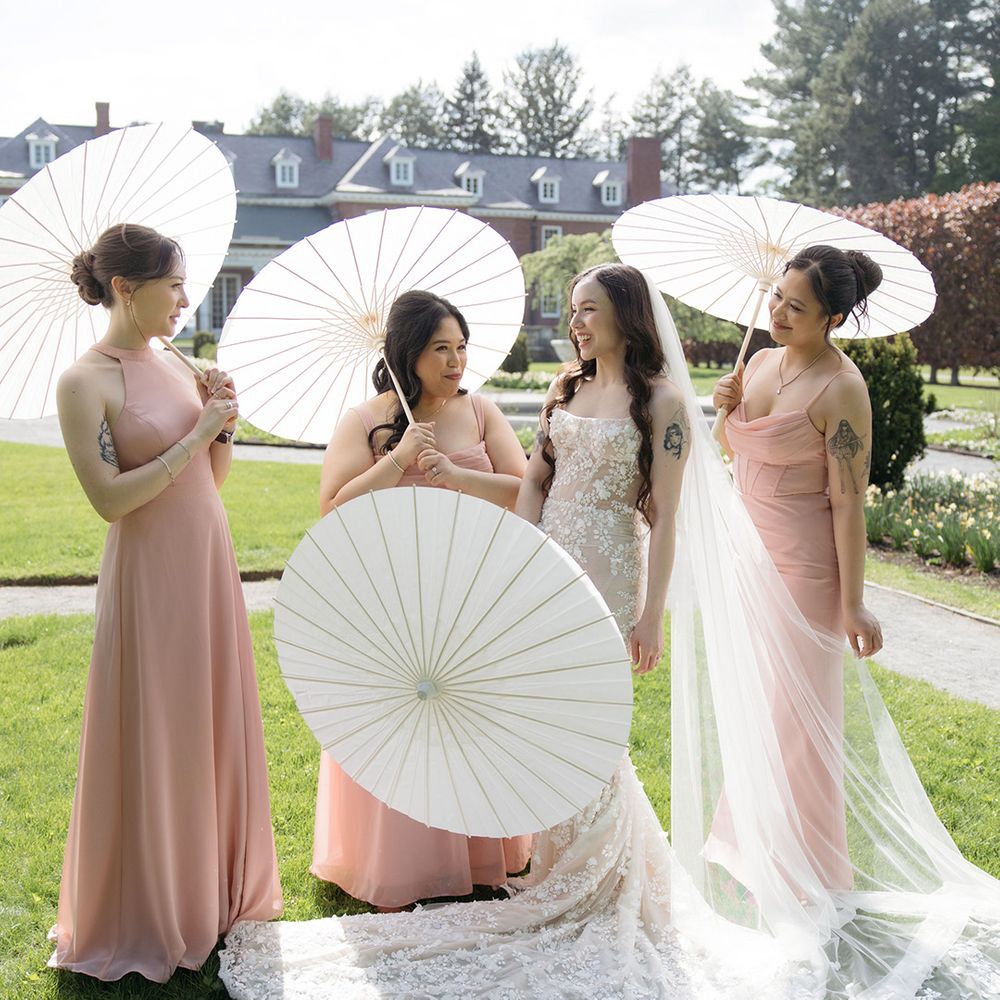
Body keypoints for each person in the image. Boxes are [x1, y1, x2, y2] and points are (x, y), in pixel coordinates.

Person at [219, 265, 751, 999]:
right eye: (573, 310)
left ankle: (603, 878)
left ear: (627, 314)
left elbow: (665, 516)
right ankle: (556, 873)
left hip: (610, 569)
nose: (576, 323)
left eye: (588, 310)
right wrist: (516, 566)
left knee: (594, 729)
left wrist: (651, 612)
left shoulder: (661, 404)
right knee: (542, 727)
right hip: (539, 566)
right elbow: (534, 484)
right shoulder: (563, 389)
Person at [50, 223, 282, 982]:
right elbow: (110, 501)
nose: (186, 300)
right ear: (125, 288)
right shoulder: (85, 381)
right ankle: (155, 903)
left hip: (207, 562)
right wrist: (198, 433)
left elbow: (209, 484)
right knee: (159, 727)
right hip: (149, 576)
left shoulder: (180, 364)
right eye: (174, 285)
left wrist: (223, 427)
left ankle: (213, 893)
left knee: (209, 721)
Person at [314, 289, 531, 910]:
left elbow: (525, 491)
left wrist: (458, 476)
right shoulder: (364, 420)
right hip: (396, 594)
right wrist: (399, 459)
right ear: (408, 353)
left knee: (469, 720)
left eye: (461, 347)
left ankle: (478, 855)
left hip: (472, 588)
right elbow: (332, 509)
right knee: (404, 722)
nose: (456, 362)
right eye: (441, 349)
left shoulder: (480, 412)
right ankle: (400, 863)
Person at [706, 245, 883, 890]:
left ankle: (808, 870)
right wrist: (725, 408)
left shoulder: (843, 388)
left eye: (796, 307)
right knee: (755, 709)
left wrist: (853, 602)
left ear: (832, 318)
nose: (777, 313)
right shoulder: (757, 362)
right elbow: (734, 452)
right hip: (746, 557)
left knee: (800, 723)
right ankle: (752, 850)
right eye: (777, 297)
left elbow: (849, 502)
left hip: (805, 569)